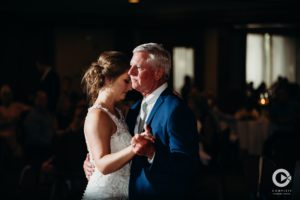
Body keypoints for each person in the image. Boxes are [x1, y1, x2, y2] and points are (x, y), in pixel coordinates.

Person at [84, 43, 200, 200]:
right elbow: (112, 148)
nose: (130, 72)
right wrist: (93, 159)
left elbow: (187, 166)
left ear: (158, 73)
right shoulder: (133, 109)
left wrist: (152, 152)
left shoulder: (175, 108)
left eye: (137, 67)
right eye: (130, 67)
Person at [81, 51, 154, 200]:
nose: (130, 87)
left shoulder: (119, 112)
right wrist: (134, 148)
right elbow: (102, 164)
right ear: (108, 79)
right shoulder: (97, 115)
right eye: (126, 81)